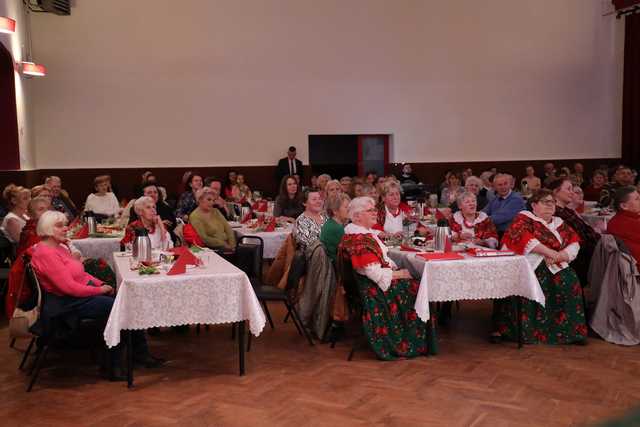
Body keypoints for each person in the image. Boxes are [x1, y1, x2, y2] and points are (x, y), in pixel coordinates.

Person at [31, 211, 162, 380]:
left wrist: (101, 284)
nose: (65, 229)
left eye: (65, 224)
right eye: (59, 226)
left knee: (124, 302)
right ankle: (113, 365)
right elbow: (69, 288)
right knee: (119, 307)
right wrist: (99, 290)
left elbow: (80, 274)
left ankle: (136, 353)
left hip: (76, 296)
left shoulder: (59, 246)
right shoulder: (46, 253)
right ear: (47, 228)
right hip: (65, 304)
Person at [337, 196, 431, 360]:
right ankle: (409, 342)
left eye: (375, 209)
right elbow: (375, 274)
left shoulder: (359, 233)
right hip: (371, 290)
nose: (375, 213)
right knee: (417, 287)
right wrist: (400, 274)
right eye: (370, 210)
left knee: (415, 279)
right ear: (357, 216)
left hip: (366, 285)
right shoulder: (359, 239)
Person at [494, 189, 587, 345]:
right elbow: (525, 239)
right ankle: (531, 333)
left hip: (556, 261)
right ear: (534, 205)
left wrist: (559, 256)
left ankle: (569, 333)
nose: (550, 206)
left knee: (570, 281)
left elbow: (574, 243)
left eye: (552, 202)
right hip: (529, 262)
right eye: (545, 202)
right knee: (537, 281)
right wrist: (549, 252)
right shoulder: (524, 219)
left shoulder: (559, 223)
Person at [549, 178, 600, 285]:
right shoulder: (555, 214)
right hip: (576, 260)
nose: (572, 192)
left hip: (586, 254)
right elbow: (579, 239)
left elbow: (587, 231)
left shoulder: (567, 211)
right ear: (555, 192)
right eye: (568, 189)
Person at [607, 186, 640, 269]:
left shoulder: (616, 220)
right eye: (637, 199)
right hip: (633, 269)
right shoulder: (626, 223)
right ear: (624, 206)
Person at [319, 193, 351, 264]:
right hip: (336, 268)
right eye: (346, 207)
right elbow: (348, 253)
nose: (349, 209)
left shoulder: (332, 223)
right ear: (335, 211)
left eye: (349, 206)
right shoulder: (336, 228)